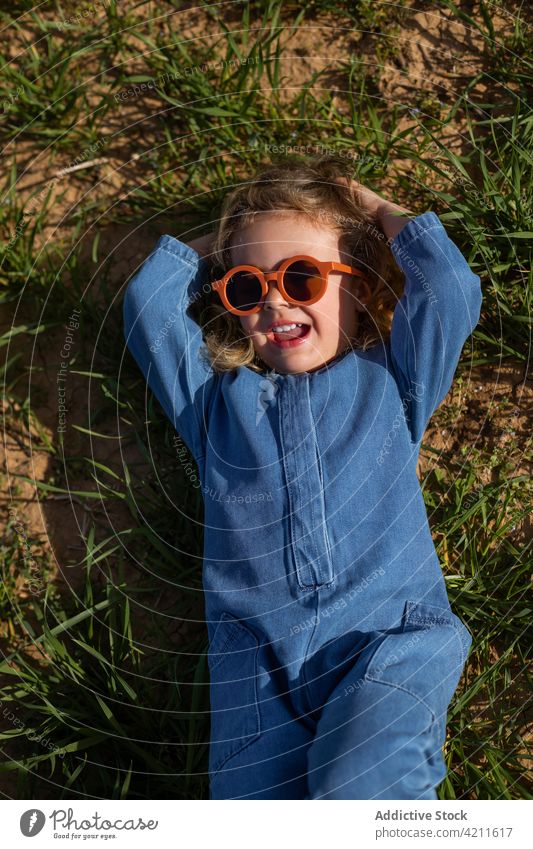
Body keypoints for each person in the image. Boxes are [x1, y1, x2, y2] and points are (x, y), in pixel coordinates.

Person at [122, 154, 482, 799]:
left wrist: (371, 208)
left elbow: (450, 289)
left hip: (386, 641)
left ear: (363, 285)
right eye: (246, 287)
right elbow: (150, 306)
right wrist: (222, 241)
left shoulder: (392, 383)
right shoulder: (215, 409)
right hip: (256, 671)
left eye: (302, 276)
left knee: (366, 800)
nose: (274, 301)